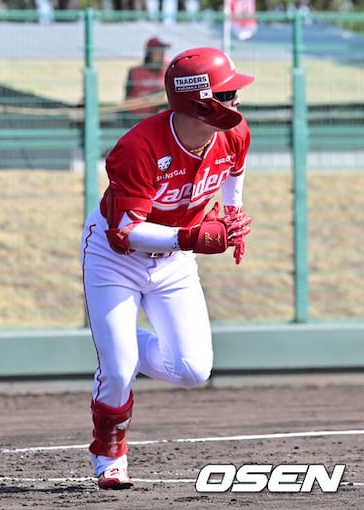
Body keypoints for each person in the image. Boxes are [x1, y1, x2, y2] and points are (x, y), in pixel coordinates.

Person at [80, 46, 254, 490]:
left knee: (193, 371)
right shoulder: (138, 147)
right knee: (118, 371)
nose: (237, 100)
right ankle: (109, 454)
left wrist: (232, 214)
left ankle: (118, 342)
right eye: (227, 93)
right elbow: (124, 233)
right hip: (115, 259)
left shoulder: (234, 133)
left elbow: (234, 170)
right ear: (200, 102)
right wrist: (190, 238)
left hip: (173, 261)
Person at [123, 36, 171, 119]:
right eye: (158, 51)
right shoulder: (135, 72)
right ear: (149, 53)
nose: (162, 54)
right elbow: (128, 99)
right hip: (137, 115)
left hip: (158, 113)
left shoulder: (168, 68)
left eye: (163, 51)